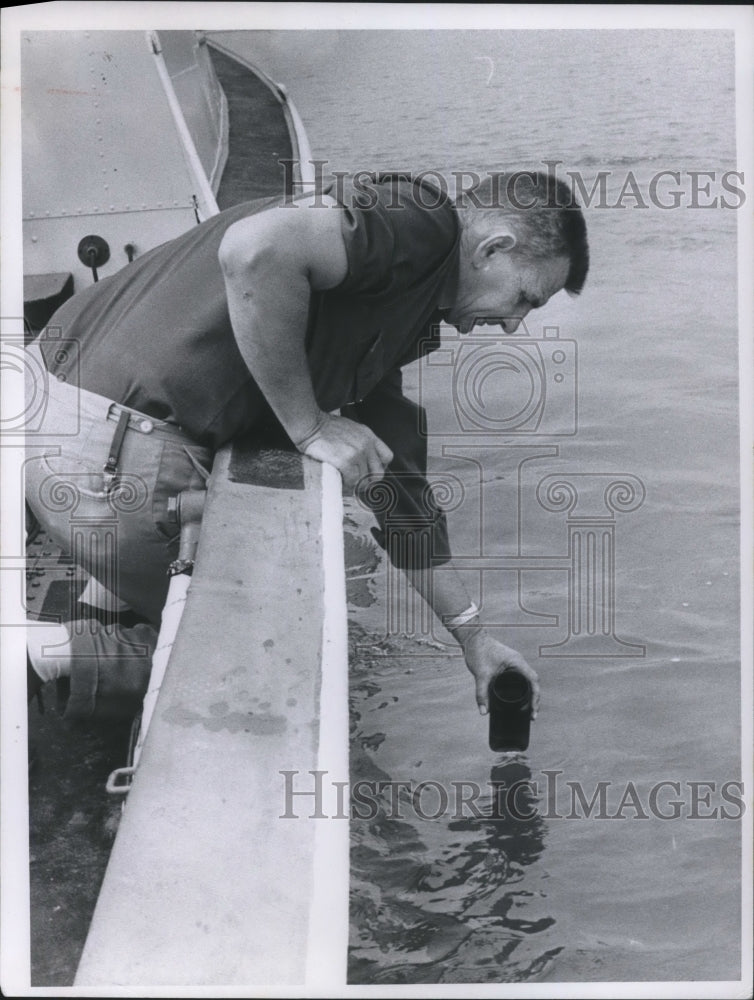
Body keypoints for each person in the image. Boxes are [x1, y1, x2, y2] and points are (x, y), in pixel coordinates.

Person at [25, 170, 588, 722]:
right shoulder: (424, 226)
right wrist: (309, 426)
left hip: (43, 407)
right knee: (272, 669)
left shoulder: (396, 298)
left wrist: (473, 638)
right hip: (101, 450)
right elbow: (255, 249)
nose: (515, 326)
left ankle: (102, 607)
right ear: (493, 248)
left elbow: (401, 493)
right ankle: (38, 655)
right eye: (526, 298)